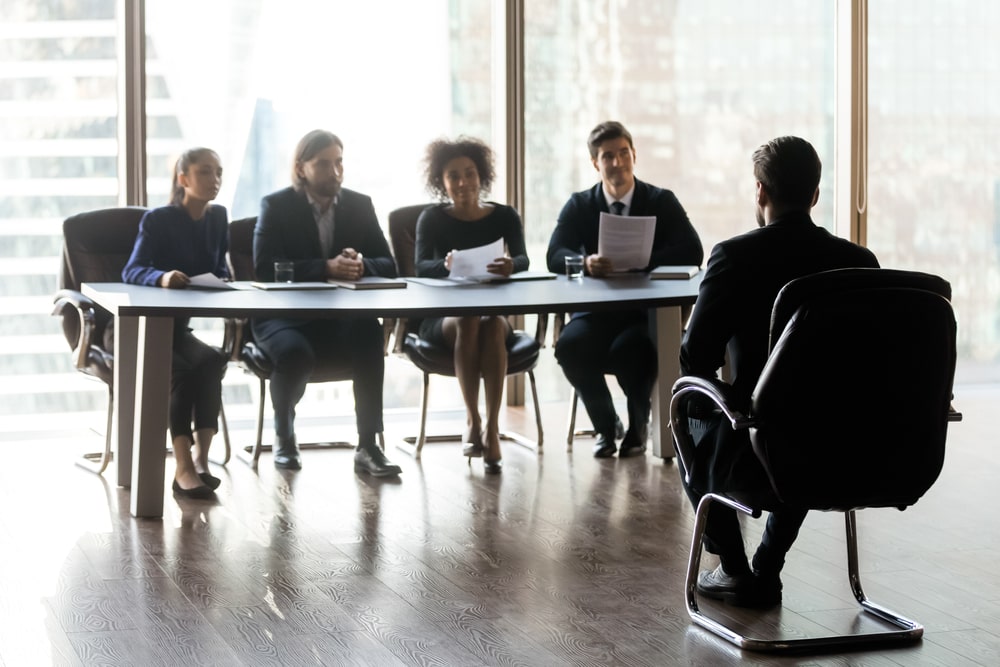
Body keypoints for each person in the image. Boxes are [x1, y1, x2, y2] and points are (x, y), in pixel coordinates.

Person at [678, 136, 880, 607]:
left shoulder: (733, 256)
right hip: (850, 446)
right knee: (808, 424)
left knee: (691, 408)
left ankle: (732, 568)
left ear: (760, 192)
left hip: (756, 449)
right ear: (814, 195)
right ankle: (768, 564)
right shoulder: (859, 263)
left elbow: (694, 361)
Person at [547, 120, 703, 459]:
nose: (617, 163)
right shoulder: (580, 204)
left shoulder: (660, 201)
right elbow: (554, 255)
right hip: (595, 311)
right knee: (570, 347)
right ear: (595, 163)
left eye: (623, 154)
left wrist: (647, 261)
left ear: (634, 155)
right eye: (607, 156)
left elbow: (693, 250)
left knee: (632, 350)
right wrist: (586, 262)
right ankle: (606, 427)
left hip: (643, 315)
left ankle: (637, 430)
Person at [252, 129, 402, 477]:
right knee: (294, 352)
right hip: (282, 318)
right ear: (301, 168)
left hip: (337, 317)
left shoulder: (359, 205)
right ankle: (284, 437)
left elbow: (389, 264)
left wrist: (361, 264)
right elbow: (264, 268)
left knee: (368, 333)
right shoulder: (276, 206)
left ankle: (368, 444)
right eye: (323, 164)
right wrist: (325, 268)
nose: (334, 172)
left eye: (338, 163)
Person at [414, 137, 530, 475]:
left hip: (493, 313)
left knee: (491, 323)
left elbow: (523, 257)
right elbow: (420, 266)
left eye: (469, 173)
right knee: (469, 320)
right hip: (445, 319)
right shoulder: (431, 219)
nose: (463, 182)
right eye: (453, 176)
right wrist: (446, 265)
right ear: (442, 181)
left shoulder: (505, 216)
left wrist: (511, 265)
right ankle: (472, 419)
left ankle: (491, 427)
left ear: (482, 176)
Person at [121, 147, 229, 499]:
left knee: (212, 361)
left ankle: (201, 460)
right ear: (183, 179)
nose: (214, 180)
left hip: (177, 330)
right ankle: (181, 468)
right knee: (182, 370)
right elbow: (132, 270)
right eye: (204, 172)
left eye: (218, 172)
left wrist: (221, 280)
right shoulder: (158, 220)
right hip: (142, 331)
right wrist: (162, 277)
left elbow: (221, 269)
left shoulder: (218, 218)